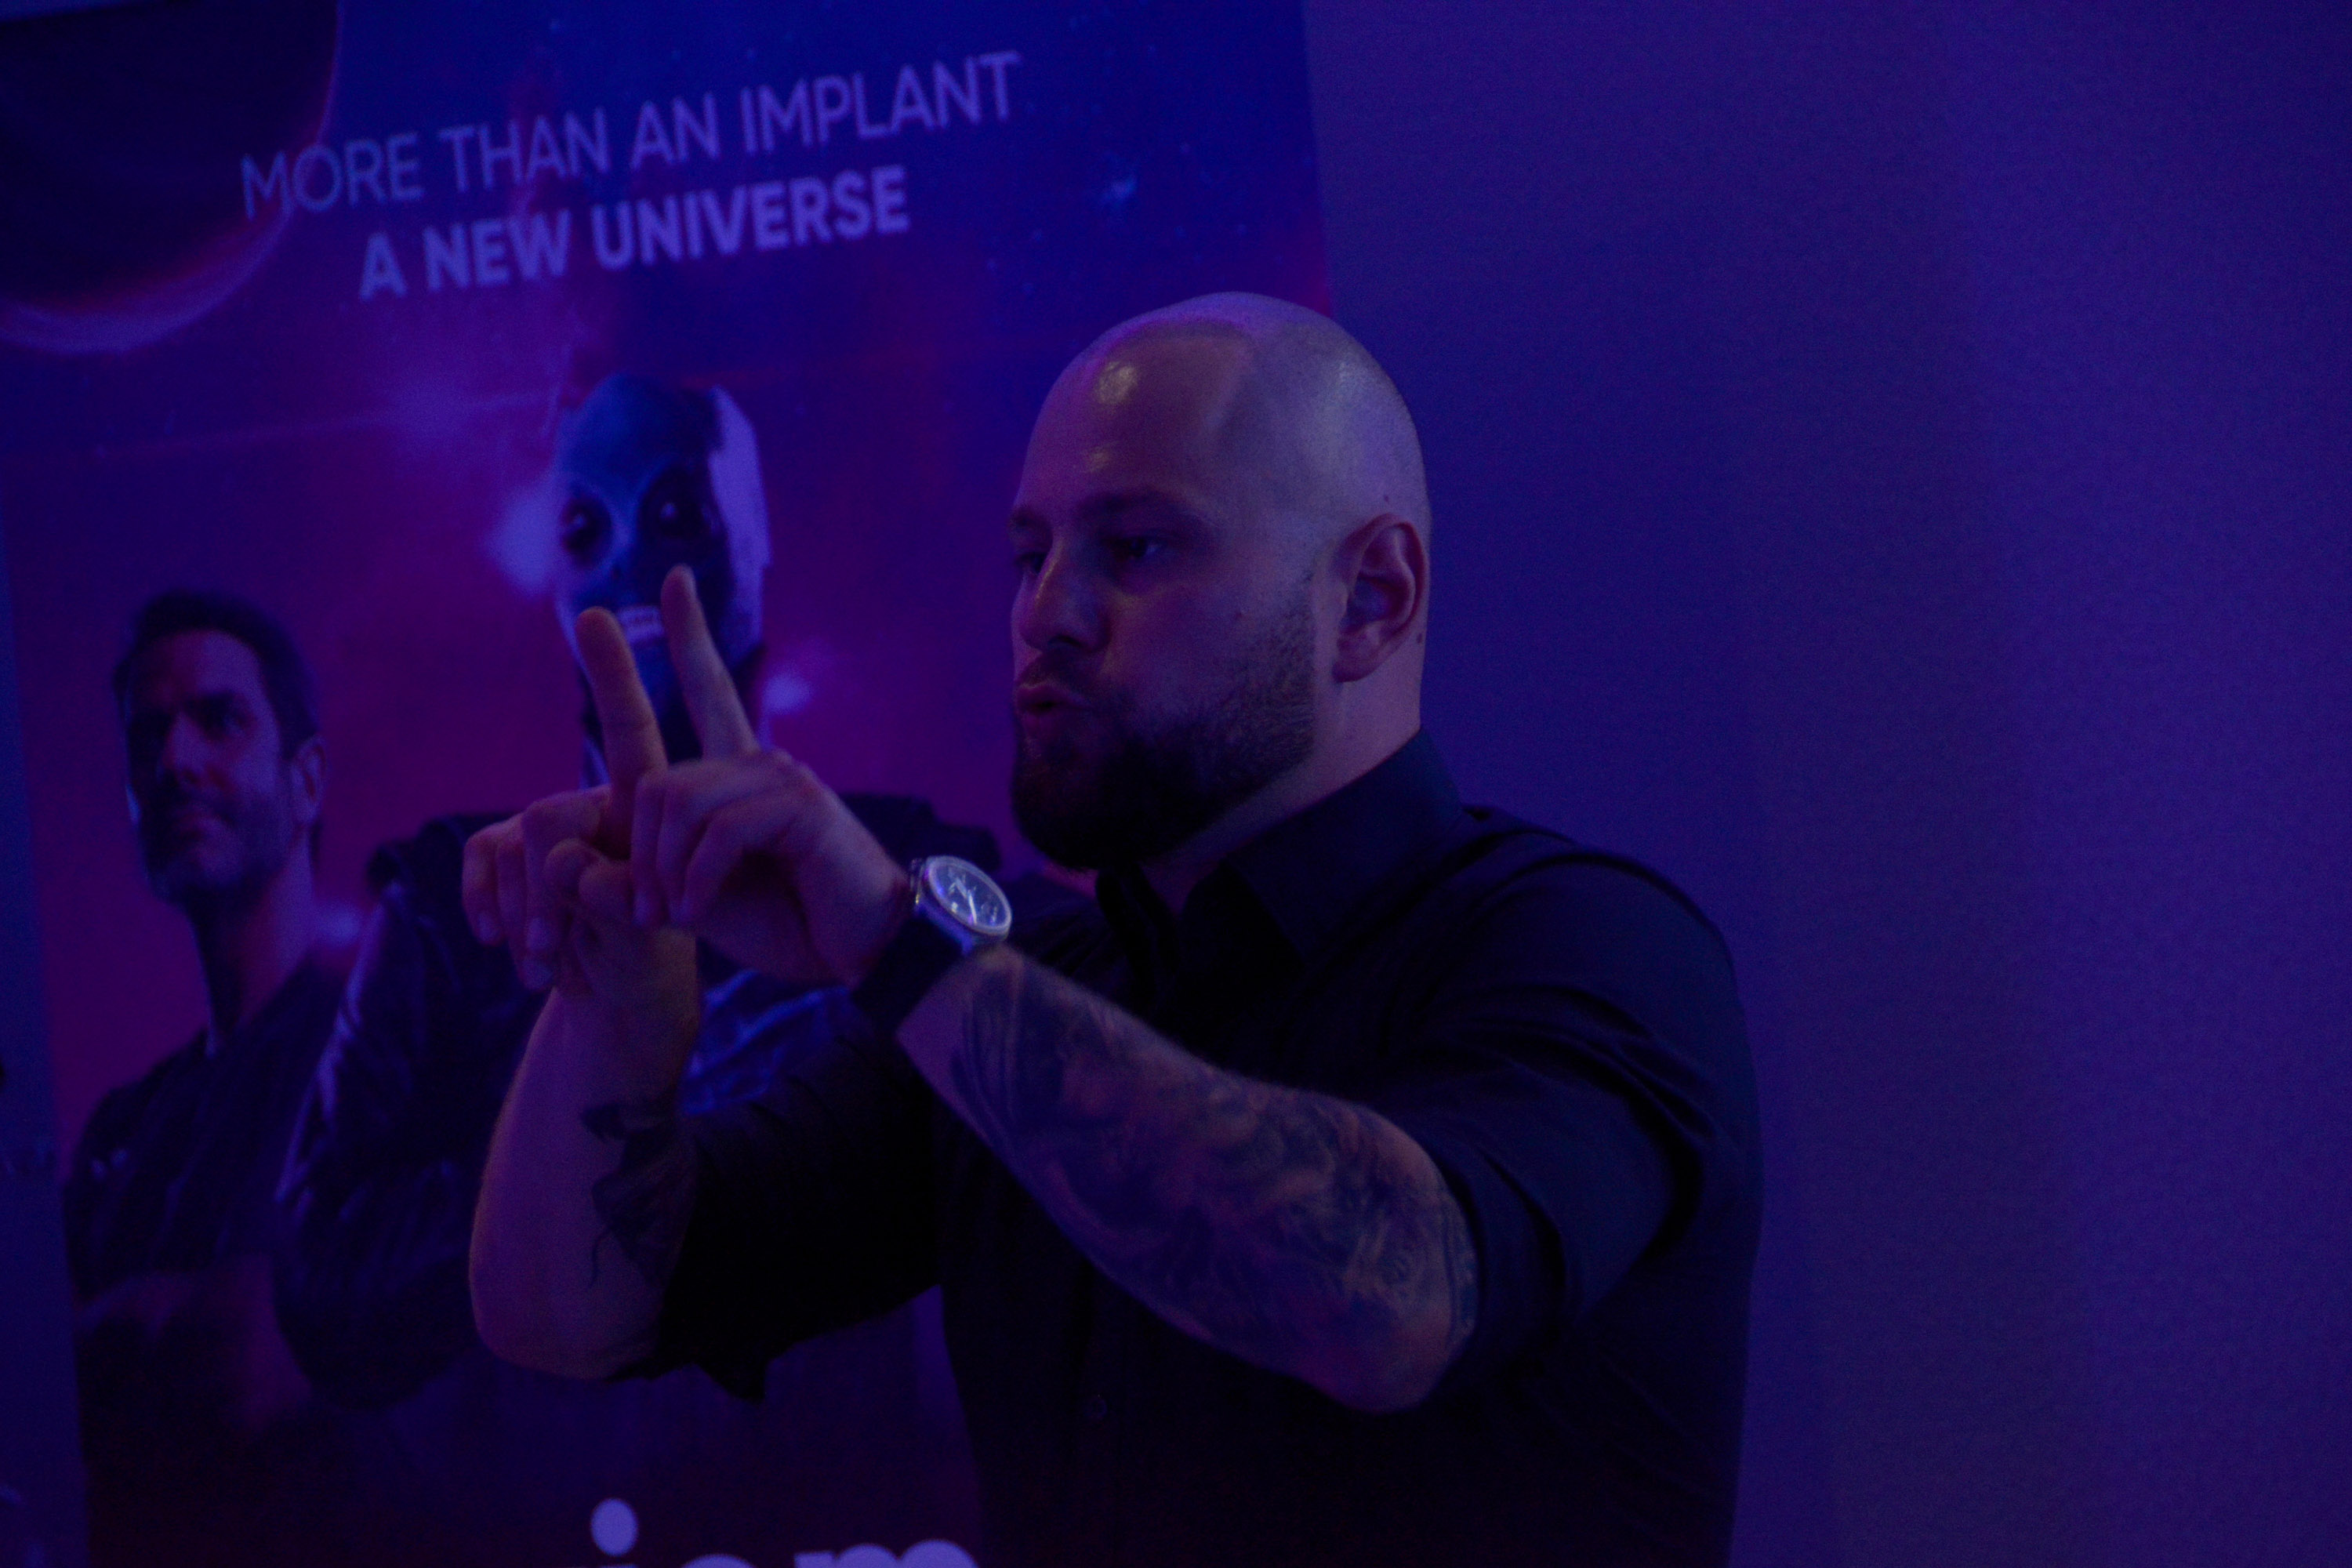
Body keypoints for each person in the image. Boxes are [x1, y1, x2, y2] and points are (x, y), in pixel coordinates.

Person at [466, 296, 1762, 1567]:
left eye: (1136, 549)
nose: (1047, 613)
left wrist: (899, 946)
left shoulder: (1588, 949)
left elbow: (1388, 1299)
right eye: (1029, 555)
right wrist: (614, 1002)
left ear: (1371, 598)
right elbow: (570, 1318)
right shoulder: (1022, 986)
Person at [274, 372, 1000, 1564]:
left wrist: (892, 951)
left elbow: (1070, 1155)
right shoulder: (462, 904)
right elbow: (324, 1290)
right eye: (583, 528)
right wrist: (593, 1089)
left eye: (676, 514)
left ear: (755, 536)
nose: (629, 562)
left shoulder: (907, 878)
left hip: (861, 1527)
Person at [63, 590, 397, 1568]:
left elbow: (263, 1354)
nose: (174, 760)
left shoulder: (379, 1043)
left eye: (219, 719)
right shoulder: (126, 1124)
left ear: (308, 778)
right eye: (148, 735)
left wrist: (105, 1331)